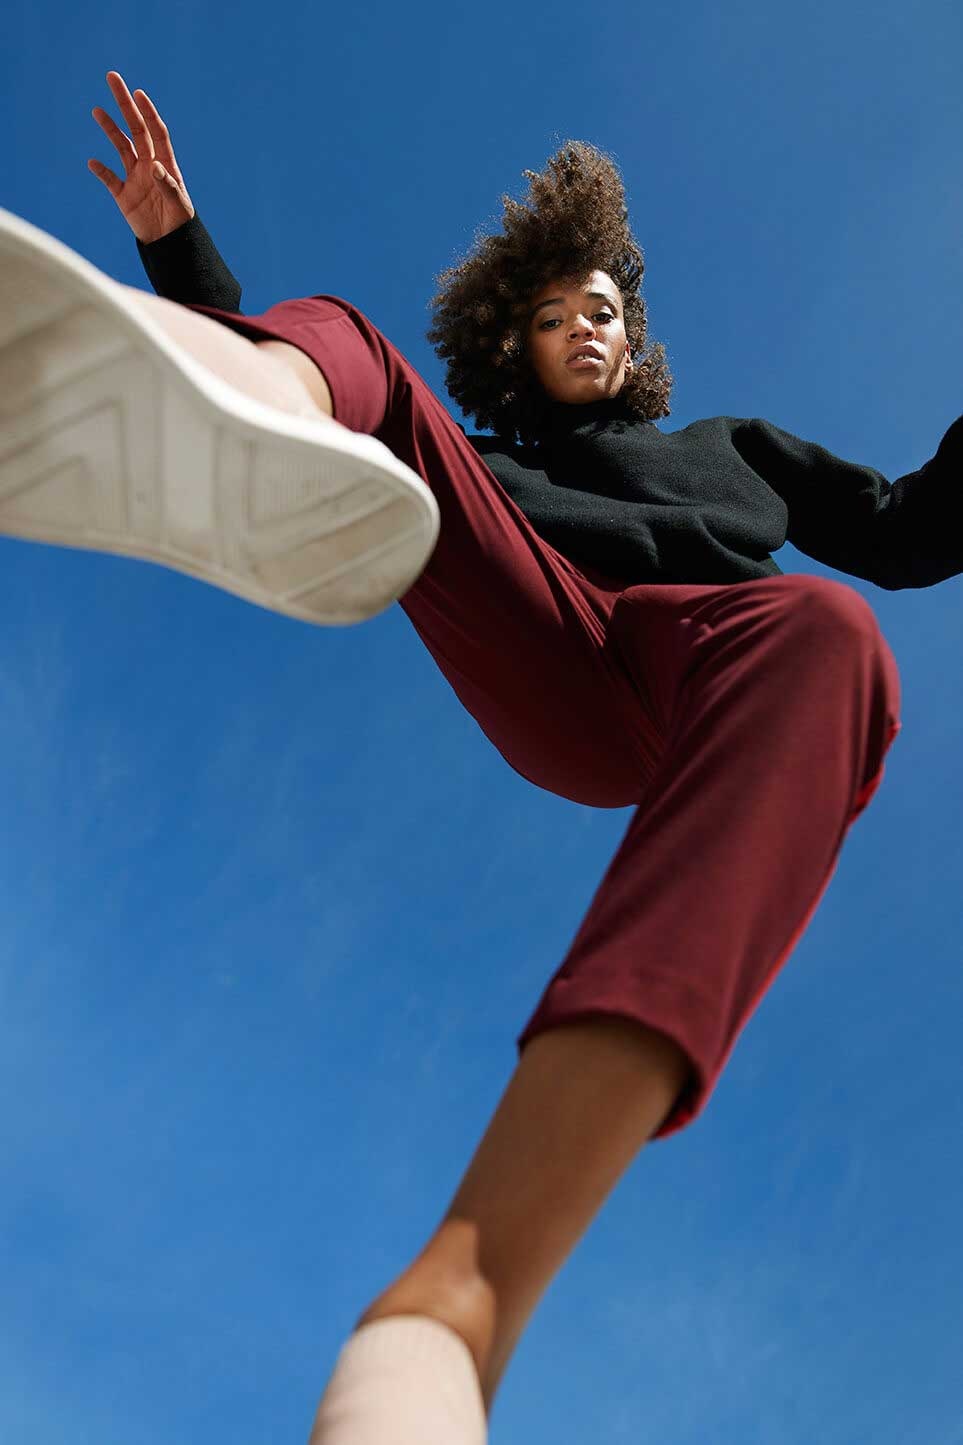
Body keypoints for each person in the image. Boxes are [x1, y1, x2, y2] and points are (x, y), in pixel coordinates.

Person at [3, 67, 958, 1445]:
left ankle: (466, 1297)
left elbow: (913, 529)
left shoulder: (735, 449)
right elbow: (374, 399)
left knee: (828, 627)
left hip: (699, 655)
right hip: (545, 636)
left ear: (637, 338)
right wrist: (174, 247)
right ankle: (224, 381)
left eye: (606, 313)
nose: (585, 328)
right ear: (524, 341)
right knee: (349, 347)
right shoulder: (502, 460)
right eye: (559, 314)